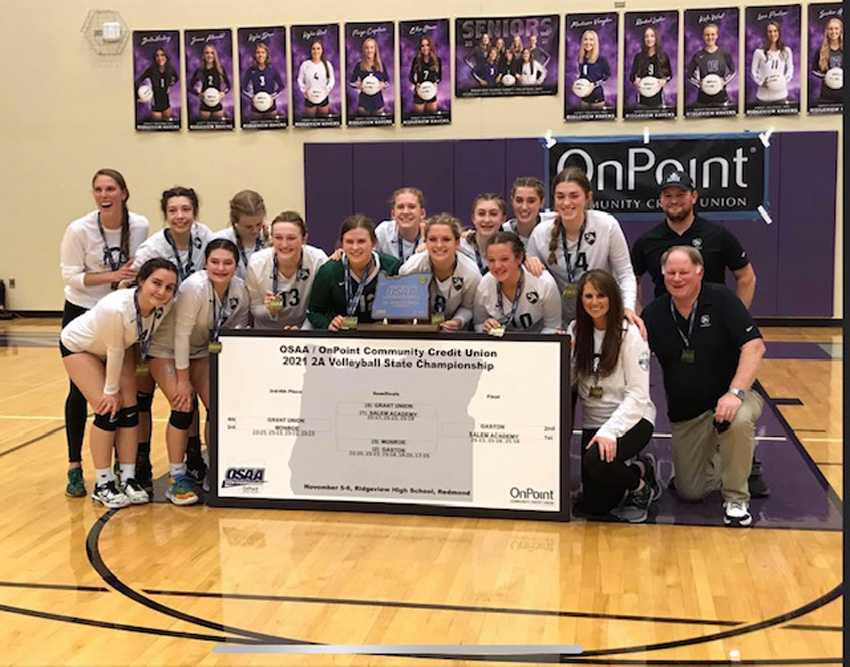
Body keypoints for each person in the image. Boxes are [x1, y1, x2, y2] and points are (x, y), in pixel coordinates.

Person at [630, 169, 766, 497]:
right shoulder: (648, 242)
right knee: (688, 490)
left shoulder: (718, 235)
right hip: (676, 332)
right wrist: (639, 319)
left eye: (680, 194)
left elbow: (746, 277)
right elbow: (631, 281)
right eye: (667, 195)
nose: (674, 200)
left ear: (694, 197)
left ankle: (743, 468)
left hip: (717, 333)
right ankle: (724, 460)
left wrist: (735, 320)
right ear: (660, 200)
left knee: (735, 408)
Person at [642, 246, 765, 527]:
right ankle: (731, 460)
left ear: (699, 271)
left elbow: (755, 347)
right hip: (688, 411)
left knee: (739, 420)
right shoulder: (655, 313)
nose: (677, 278)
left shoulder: (722, 299)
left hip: (735, 396)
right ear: (663, 274)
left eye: (683, 272)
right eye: (670, 272)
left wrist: (735, 393)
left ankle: (736, 498)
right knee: (690, 491)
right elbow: (633, 354)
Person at [60, 258, 178, 508]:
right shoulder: (115, 308)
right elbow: (113, 350)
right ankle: (103, 483)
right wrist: (110, 391)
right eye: (156, 283)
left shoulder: (163, 306)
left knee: (130, 410)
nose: (162, 292)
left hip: (121, 348)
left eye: (169, 287)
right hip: (81, 347)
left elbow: (124, 346)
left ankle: (128, 477)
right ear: (141, 281)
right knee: (108, 409)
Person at [59, 168, 149, 497]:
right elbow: (71, 277)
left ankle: (121, 472)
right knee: (83, 393)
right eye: (98, 189)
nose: (104, 195)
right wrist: (111, 276)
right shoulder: (79, 229)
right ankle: (74, 466)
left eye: (110, 188)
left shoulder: (139, 225)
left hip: (123, 312)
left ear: (124, 193)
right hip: (84, 312)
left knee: (126, 396)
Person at [148, 240, 250, 505]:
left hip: (202, 351)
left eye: (227, 263)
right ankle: (176, 477)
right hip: (167, 350)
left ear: (236, 266)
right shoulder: (194, 287)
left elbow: (237, 327)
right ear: (206, 263)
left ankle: (216, 466)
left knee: (217, 407)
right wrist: (183, 381)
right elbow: (181, 336)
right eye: (215, 261)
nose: (221, 267)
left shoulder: (239, 288)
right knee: (183, 406)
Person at [130, 187, 214, 491]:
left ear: (195, 212)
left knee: (191, 400)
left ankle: (194, 456)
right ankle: (141, 464)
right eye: (174, 210)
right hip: (157, 336)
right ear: (165, 214)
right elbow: (132, 284)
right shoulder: (151, 248)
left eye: (186, 209)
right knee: (154, 402)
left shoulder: (205, 237)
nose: (180, 216)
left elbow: (227, 256)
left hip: (193, 336)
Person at [569, 270, 658, 522]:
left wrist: (610, 431)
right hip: (593, 421)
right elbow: (573, 381)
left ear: (613, 298)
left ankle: (641, 487)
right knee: (596, 507)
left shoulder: (631, 334)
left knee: (596, 460)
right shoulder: (576, 330)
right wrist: (566, 356)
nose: (594, 302)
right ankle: (638, 468)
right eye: (588, 296)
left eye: (601, 295)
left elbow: (639, 395)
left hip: (632, 420)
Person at [526, 167, 639, 329]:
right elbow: (531, 282)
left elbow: (625, 273)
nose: (566, 203)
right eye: (560, 196)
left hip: (601, 316)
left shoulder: (606, 225)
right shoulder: (541, 233)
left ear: (588, 197)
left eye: (574, 196)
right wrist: (529, 263)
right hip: (559, 321)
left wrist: (628, 307)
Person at [307, 215, 401, 330]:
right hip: (343, 339)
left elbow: (403, 310)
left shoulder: (391, 267)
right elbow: (314, 312)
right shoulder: (329, 271)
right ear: (342, 243)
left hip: (381, 340)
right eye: (349, 242)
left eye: (361, 241)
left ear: (373, 242)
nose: (355, 247)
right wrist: (328, 324)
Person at [246, 211, 328, 330]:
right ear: (271, 238)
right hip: (267, 334)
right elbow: (254, 309)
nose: (284, 245)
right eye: (278, 238)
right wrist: (269, 310)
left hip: (306, 333)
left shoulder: (318, 261)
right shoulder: (257, 263)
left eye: (291, 238)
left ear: (304, 239)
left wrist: (302, 333)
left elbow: (321, 309)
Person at [399, 214, 482, 331]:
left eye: (446, 239)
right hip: (421, 331)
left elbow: (468, 307)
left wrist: (458, 321)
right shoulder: (410, 270)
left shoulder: (471, 273)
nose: (439, 245)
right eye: (432, 239)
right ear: (425, 242)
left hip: (456, 334)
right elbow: (403, 307)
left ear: (457, 243)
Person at [473, 231, 561, 334]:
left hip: (537, 344)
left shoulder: (544, 282)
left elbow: (553, 327)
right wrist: (485, 327)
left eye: (504, 259)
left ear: (519, 258)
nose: (497, 266)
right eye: (491, 260)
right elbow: (478, 324)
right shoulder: (485, 284)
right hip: (501, 345)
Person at [213, 190, 269, 279]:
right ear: (235, 223)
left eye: (259, 224)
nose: (255, 230)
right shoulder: (220, 241)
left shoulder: (272, 238)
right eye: (248, 227)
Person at [687, 23, 735, 107]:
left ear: (717, 36)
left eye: (713, 34)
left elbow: (733, 71)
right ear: (703, 36)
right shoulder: (698, 55)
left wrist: (723, 81)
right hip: (703, 100)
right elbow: (689, 74)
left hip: (721, 97)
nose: (710, 37)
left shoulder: (724, 53)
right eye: (707, 35)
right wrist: (699, 83)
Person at [375, 188, 427, 263]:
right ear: (393, 214)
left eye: (412, 207)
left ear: (422, 213)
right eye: (400, 207)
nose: (405, 212)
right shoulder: (383, 232)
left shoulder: (432, 236)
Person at [459, 193, 508, 274]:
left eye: (493, 214)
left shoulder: (511, 249)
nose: (487, 220)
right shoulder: (460, 247)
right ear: (473, 218)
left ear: (503, 219)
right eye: (481, 214)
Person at [751, 20, 794, 104]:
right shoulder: (759, 52)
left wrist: (783, 82)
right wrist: (761, 83)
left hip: (781, 96)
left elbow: (790, 69)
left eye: (775, 31)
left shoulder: (786, 51)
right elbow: (753, 72)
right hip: (763, 98)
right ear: (766, 34)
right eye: (769, 31)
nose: (773, 34)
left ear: (779, 32)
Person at [629, 26, 672, 107]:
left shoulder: (663, 56)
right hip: (642, 102)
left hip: (658, 102)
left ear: (656, 38)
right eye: (646, 36)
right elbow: (631, 77)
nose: (649, 39)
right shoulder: (638, 57)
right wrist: (635, 81)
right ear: (644, 39)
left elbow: (669, 75)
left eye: (652, 36)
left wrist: (664, 80)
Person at [504, 177, 554, 243]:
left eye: (531, 201)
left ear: (542, 202)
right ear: (512, 201)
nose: (524, 207)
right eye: (519, 201)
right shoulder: (503, 231)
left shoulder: (554, 224)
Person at [241, 41, 284, 117]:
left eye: (263, 52)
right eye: (258, 52)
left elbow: (281, 86)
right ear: (255, 55)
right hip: (256, 108)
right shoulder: (250, 70)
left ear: (267, 54)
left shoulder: (273, 69)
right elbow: (243, 88)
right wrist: (252, 97)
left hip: (271, 107)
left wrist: (272, 96)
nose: (260, 55)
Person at [135, 47, 179, 121]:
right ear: (155, 58)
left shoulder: (170, 69)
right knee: (157, 128)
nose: (160, 57)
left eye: (162, 55)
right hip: (155, 104)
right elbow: (138, 82)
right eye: (157, 55)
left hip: (166, 104)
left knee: (167, 127)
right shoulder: (151, 69)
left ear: (166, 57)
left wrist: (170, 85)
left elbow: (176, 78)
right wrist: (139, 97)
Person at [350, 37, 389, 116]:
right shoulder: (359, 65)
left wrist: (383, 85)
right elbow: (351, 82)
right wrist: (358, 85)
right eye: (367, 48)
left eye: (372, 47)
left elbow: (387, 82)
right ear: (364, 50)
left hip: (378, 104)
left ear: (375, 49)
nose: (369, 50)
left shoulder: (381, 65)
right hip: (363, 104)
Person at [190, 44, 231, 120]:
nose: (209, 55)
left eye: (212, 53)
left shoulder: (220, 69)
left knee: (219, 129)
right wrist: (198, 94)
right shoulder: (200, 70)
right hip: (204, 105)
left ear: (215, 55)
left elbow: (228, 85)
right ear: (203, 55)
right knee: (204, 129)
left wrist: (223, 93)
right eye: (207, 53)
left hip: (217, 104)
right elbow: (190, 86)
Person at [297, 39, 335, 118]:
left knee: (323, 123)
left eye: (318, 48)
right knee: (310, 123)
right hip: (309, 98)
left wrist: (327, 90)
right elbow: (300, 80)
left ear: (322, 50)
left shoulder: (327, 64)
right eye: (313, 48)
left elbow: (332, 80)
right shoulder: (305, 64)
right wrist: (304, 91)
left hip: (323, 98)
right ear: (310, 50)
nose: (316, 51)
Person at [811, 17, 843, 106]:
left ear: (841, 30)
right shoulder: (820, 50)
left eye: (836, 28)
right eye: (830, 29)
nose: (833, 31)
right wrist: (825, 76)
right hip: (826, 96)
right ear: (827, 31)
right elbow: (813, 70)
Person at [576, 30, 611, 109]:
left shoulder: (601, 59)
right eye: (585, 39)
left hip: (597, 99)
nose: (588, 42)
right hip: (584, 98)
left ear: (595, 42)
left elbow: (607, 75)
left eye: (591, 40)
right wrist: (577, 83)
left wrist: (594, 84)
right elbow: (582, 76)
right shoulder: (581, 58)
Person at [409, 36, 442, 114]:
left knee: (432, 118)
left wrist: (436, 83)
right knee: (418, 119)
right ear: (420, 48)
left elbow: (440, 77)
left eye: (427, 45)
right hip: (419, 93)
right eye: (422, 46)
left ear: (431, 46)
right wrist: (416, 84)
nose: (425, 48)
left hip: (431, 92)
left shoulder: (437, 60)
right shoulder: (416, 60)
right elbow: (411, 76)